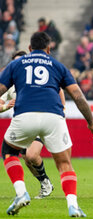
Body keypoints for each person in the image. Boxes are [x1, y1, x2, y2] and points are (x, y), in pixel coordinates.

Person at [0, 32, 93, 217]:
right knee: (64, 163)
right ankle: (73, 206)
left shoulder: (15, 64)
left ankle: (21, 193)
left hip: (25, 115)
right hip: (54, 117)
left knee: (9, 151)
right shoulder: (58, 66)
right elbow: (78, 96)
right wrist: (91, 122)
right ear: (48, 49)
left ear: (29, 49)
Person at [0, 50, 63, 199]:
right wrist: (6, 107)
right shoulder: (10, 85)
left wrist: (63, 108)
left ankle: (42, 184)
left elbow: (58, 90)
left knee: (31, 155)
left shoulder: (37, 80)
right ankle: (45, 182)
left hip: (40, 119)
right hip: (22, 125)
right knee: (28, 160)